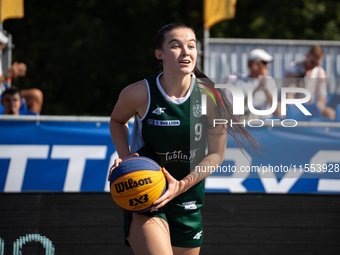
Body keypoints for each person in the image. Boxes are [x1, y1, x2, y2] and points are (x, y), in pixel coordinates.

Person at [108, 23, 259, 255]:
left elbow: (216, 155)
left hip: (187, 198)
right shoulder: (139, 93)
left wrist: (180, 186)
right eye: (176, 46)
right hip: (147, 194)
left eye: (191, 46)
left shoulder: (211, 96)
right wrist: (126, 157)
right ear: (160, 54)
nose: (186, 51)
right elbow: (117, 121)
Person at [283, 45, 335, 120]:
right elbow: (289, 96)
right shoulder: (292, 70)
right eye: (312, 62)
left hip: (311, 106)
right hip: (293, 105)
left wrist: (320, 103)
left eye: (317, 64)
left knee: (329, 113)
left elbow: (322, 95)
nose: (314, 66)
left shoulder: (320, 72)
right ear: (307, 56)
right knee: (281, 110)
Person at [225, 49, 278, 119]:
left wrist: (265, 89)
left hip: (266, 122)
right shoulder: (239, 82)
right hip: (246, 121)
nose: (268, 66)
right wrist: (257, 88)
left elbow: (274, 106)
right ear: (255, 65)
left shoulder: (270, 81)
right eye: (265, 63)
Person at [0, 30, 43, 114]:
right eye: (0, 43)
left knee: (35, 96)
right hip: (2, 98)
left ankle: (29, 126)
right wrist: (7, 74)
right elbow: (4, 76)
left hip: (3, 95)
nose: (3, 47)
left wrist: (11, 75)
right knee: (11, 99)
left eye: (2, 44)